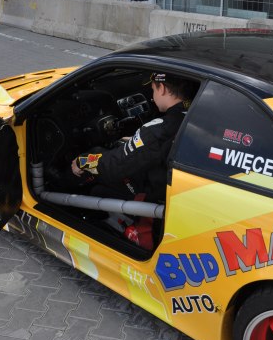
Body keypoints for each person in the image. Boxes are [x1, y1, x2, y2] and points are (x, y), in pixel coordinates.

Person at [67, 73, 196, 247]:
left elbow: (113, 166)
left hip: (154, 197)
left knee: (96, 170)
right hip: (178, 190)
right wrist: (137, 141)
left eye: (153, 90)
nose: (152, 96)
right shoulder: (195, 115)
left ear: (163, 89)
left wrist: (82, 161)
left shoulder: (158, 129)